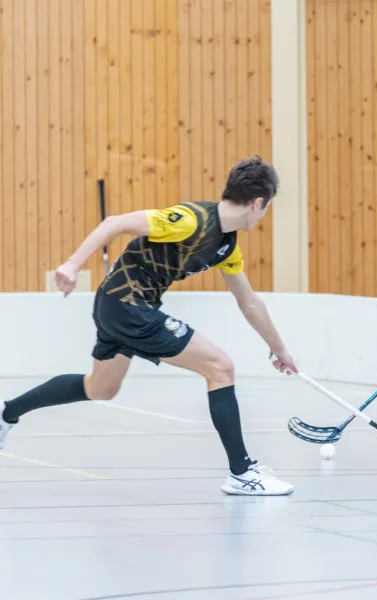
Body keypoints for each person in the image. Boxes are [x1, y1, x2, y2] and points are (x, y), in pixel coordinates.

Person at [0, 156, 298, 496]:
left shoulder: (227, 245)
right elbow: (115, 222)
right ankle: (242, 471)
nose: (263, 215)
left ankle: (7, 411)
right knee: (221, 367)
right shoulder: (190, 220)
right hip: (128, 306)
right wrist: (72, 265)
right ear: (257, 203)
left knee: (100, 388)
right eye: (266, 208)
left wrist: (279, 348)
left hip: (119, 306)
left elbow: (249, 301)